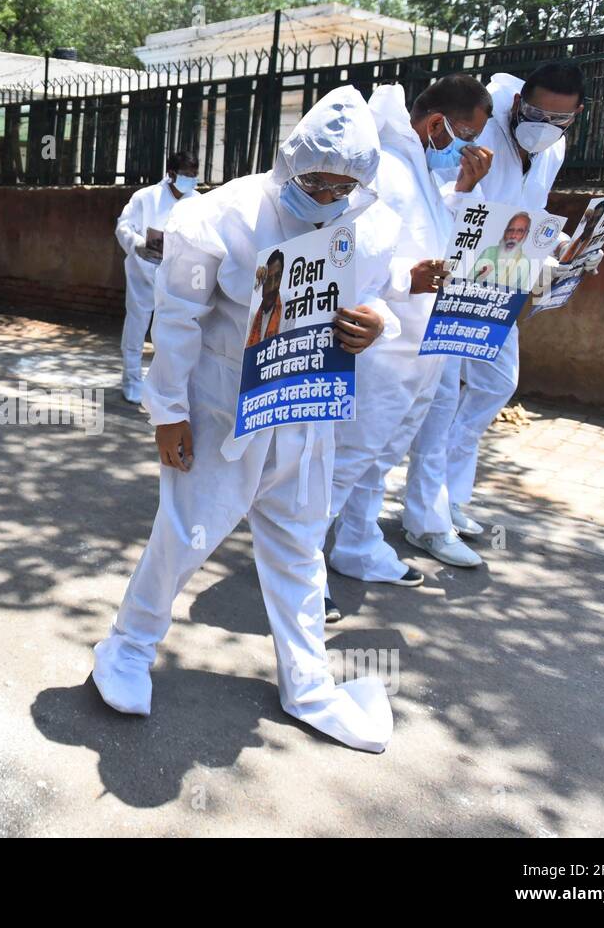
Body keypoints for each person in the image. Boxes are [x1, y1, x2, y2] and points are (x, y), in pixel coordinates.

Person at [91, 86, 401, 753]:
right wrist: (166, 412)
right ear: (291, 161)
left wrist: (376, 322)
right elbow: (177, 320)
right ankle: (127, 648)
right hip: (220, 406)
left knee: (298, 550)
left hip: (308, 411)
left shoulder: (367, 221)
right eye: (315, 180)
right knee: (184, 536)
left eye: (342, 185)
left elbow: (379, 294)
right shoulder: (222, 215)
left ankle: (308, 681)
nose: (325, 195)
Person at [323, 75, 494, 620]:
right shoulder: (386, 169)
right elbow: (354, 253)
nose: (472, 148)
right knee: (344, 462)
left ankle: (356, 545)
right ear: (437, 123)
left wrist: (464, 190)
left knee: (379, 458)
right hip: (380, 348)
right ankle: (296, 567)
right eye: (469, 135)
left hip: (422, 347)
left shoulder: (418, 166)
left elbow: (435, 233)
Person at [403, 62, 583, 565]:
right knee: (440, 400)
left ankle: (451, 496)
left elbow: (533, 212)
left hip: (502, 277)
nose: (545, 124)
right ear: (520, 100)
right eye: (538, 111)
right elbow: (438, 200)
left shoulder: (553, 148)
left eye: (560, 118)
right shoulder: (481, 128)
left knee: (496, 384)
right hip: (453, 280)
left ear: (577, 117)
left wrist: (565, 246)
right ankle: (426, 519)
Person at [115, 151, 200, 404]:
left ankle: (168, 385)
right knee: (137, 325)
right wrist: (138, 244)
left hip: (178, 275)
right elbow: (124, 226)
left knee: (173, 330)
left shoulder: (197, 201)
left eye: (194, 176)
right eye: (186, 175)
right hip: (143, 271)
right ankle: (131, 381)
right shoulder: (145, 198)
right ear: (171, 174)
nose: (191, 180)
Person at [470, 211, 532, 290]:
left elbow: (519, 295)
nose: (513, 236)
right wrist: (480, 277)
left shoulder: (524, 262)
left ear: (526, 235)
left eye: (520, 231)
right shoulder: (489, 251)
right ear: (505, 231)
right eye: (510, 230)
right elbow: (467, 281)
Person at [246, 249, 283, 346]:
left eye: (278, 277)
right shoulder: (254, 313)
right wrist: (258, 282)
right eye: (269, 279)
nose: (273, 286)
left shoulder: (286, 308)